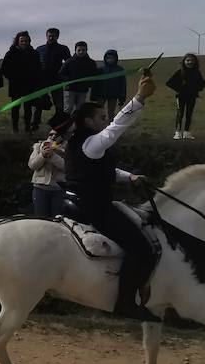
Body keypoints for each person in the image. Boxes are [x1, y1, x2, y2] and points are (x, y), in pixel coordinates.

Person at [62, 73, 161, 322]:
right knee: (143, 250)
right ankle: (125, 302)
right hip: (93, 208)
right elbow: (119, 126)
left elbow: (100, 171)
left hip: (74, 200)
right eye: (102, 118)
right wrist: (139, 97)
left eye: (106, 118)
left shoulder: (78, 142)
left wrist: (130, 177)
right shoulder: (94, 143)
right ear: (88, 121)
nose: (106, 121)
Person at [28, 114, 69, 219]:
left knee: (57, 220)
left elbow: (67, 168)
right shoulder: (38, 146)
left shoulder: (67, 149)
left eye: (55, 135)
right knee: (40, 219)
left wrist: (53, 156)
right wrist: (43, 155)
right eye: (50, 135)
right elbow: (32, 165)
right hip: (40, 188)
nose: (52, 138)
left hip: (58, 189)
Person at [2, 31, 44, 132]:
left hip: (29, 85)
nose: (24, 43)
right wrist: (12, 78)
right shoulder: (11, 53)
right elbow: (4, 68)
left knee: (28, 108)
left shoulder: (34, 53)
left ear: (29, 41)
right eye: (22, 41)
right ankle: (15, 128)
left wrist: (36, 81)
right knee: (15, 107)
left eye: (26, 41)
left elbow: (39, 68)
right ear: (17, 41)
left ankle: (27, 128)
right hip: (16, 85)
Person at [165, 53, 205, 139]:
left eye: (192, 60)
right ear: (184, 61)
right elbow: (169, 83)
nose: (190, 62)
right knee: (180, 113)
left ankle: (186, 132)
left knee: (189, 113)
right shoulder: (179, 72)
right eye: (188, 60)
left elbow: (203, 83)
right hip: (181, 96)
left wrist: (197, 89)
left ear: (195, 62)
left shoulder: (196, 72)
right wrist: (179, 89)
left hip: (192, 96)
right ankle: (177, 132)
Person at [36, 27, 71, 115]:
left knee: (59, 103)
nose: (51, 38)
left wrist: (64, 75)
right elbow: (34, 64)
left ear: (57, 37)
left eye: (53, 36)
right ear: (46, 36)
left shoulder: (63, 48)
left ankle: (59, 123)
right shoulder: (40, 49)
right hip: (42, 80)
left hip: (57, 79)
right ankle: (35, 123)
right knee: (39, 101)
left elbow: (69, 62)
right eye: (49, 36)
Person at [58, 41, 98, 114]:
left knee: (80, 110)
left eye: (83, 50)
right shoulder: (69, 61)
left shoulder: (91, 63)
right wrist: (68, 80)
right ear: (75, 50)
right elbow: (61, 74)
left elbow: (94, 76)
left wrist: (89, 83)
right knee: (68, 109)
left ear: (86, 50)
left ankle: (78, 125)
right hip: (70, 89)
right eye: (79, 50)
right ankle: (66, 125)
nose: (81, 52)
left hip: (83, 90)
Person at [94, 49, 127, 118]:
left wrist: (122, 97)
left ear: (116, 58)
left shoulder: (119, 69)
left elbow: (123, 84)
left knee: (111, 113)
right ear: (105, 58)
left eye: (112, 58)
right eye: (108, 58)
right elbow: (95, 83)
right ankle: (100, 127)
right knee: (99, 112)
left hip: (113, 95)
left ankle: (110, 126)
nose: (110, 59)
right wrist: (94, 94)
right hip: (101, 94)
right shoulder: (100, 69)